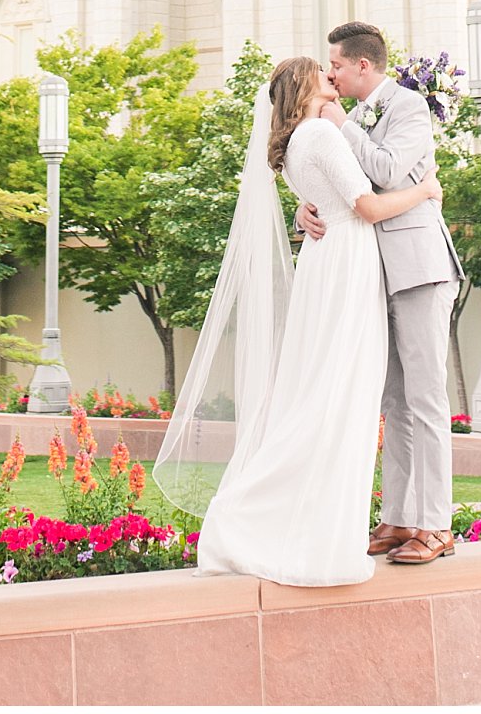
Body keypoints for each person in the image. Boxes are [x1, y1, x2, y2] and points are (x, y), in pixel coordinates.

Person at [154, 54, 443, 588]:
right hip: (347, 265)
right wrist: (426, 191)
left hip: (326, 264)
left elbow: (329, 198)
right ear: (306, 86)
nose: (332, 77)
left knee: (325, 391)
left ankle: (308, 523)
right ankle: (274, 522)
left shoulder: (292, 146)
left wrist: (307, 209)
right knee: (339, 397)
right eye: (323, 71)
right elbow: (367, 206)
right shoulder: (322, 134)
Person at [296, 22, 464, 566]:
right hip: (372, 274)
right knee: (393, 402)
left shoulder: (410, 107)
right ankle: (397, 517)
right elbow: (348, 187)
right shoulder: (353, 117)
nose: (332, 75)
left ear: (363, 65)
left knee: (426, 399)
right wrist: (309, 206)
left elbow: (388, 173)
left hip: (417, 268)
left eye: (338, 66)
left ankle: (436, 524)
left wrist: (342, 124)